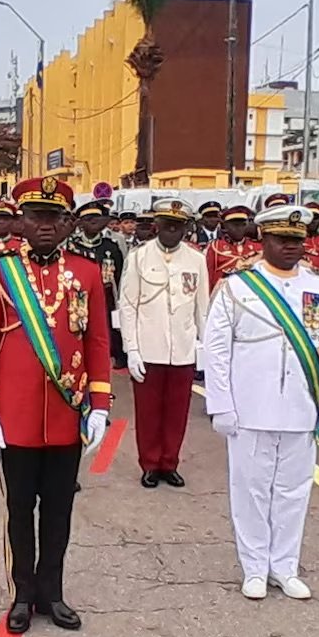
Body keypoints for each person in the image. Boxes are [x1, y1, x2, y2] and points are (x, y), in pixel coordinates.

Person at [0, 177, 111, 633]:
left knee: (59, 510)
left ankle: (53, 591)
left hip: (68, 415)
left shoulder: (87, 273)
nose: (44, 226)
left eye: (53, 218)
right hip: (15, 416)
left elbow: (97, 341)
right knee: (18, 509)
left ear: (68, 223)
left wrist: (101, 404)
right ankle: (22, 594)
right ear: (21, 221)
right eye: (35, 217)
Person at [202, 204, 319, 600]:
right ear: (262, 239)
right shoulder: (237, 287)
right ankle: (253, 567)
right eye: (281, 239)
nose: (290, 247)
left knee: (293, 491)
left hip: (301, 408)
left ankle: (284, 566)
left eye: (297, 240)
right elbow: (216, 350)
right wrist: (221, 404)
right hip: (251, 407)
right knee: (250, 489)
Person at [118, 198, 210, 489]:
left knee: (176, 412)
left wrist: (205, 347)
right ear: (156, 225)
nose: (172, 231)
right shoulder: (139, 257)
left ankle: (170, 462)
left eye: (178, 226)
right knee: (148, 413)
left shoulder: (196, 259)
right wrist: (131, 349)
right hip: (148, 347)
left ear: (185, 228)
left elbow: (202, 306)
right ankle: (149, 463)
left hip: (182, 349)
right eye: (167, 225)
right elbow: (128, 305)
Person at [65, 199, 126, 368]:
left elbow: (120, 275)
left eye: (96, 219)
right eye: (88, 219)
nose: (93, 223)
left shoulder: (110, 246)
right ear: (81, 223)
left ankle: (114, 355)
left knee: (106, 328)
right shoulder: (72, 245)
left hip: (106, 295)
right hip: (79, 295)